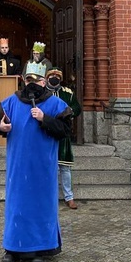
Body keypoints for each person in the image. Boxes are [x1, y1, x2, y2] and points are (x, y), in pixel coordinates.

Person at [0, 62, 73, 262]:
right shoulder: (12, 101)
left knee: (40, 206)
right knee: (17, 206)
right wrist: (0, 126)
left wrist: (44, 118)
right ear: (23, 80)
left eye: (36, 80)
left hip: (42, 168)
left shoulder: (55, 105)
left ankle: (39, 249)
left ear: (44, 81)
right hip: (18, 167)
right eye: (28, 79)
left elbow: (65, 130)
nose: (32, 83)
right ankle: (12, 249)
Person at [45, 67, 82, 210]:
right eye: (52, 75)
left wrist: (67, 114)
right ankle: (49, 198)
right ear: (47, 78)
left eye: (57, 76)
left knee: (65, 167)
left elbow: (76, 107)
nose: (54, 78)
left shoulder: (67, 92)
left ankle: (69, 197)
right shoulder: (42, 92)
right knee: (49, 167)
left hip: (62, 132)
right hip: (47, 132)